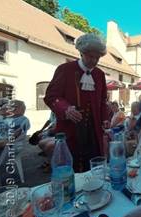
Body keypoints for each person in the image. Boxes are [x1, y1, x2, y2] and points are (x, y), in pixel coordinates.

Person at [44, 33, 110, 172]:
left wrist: (104, 118)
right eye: (90, 56)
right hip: (71, 129)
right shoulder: (65, 69)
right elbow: (51, 96)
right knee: (71, 166)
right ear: (81, 53)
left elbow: (103, 100)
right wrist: (65, 109)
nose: (94, 60)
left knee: (94, 164)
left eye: (97, 57)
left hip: (93, 130)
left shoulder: (100, 74)